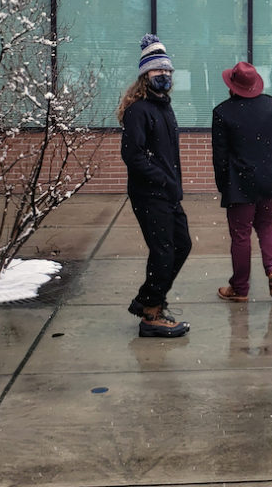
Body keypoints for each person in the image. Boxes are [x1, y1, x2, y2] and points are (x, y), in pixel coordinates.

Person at [118, 35, 191, 338]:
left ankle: (149, 300)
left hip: (168, 192)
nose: (165, 76)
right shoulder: (140, 111)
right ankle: (151, 313)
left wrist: (173, 183)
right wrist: (161, 178)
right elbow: (132, 156)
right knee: (163, 251)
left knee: (182, 245)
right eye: (158, 72)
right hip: (149, 193)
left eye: (169, 72)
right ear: (145, 76)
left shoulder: (164, 107)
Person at [212, 61, 272, 301]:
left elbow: (219, 157)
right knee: (267, 225)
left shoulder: (222, 113)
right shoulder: (271, 105)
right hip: (271, 179)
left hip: (240, 183)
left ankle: (240, 288)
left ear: (232, 85)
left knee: (241, 234)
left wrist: (224, 186)